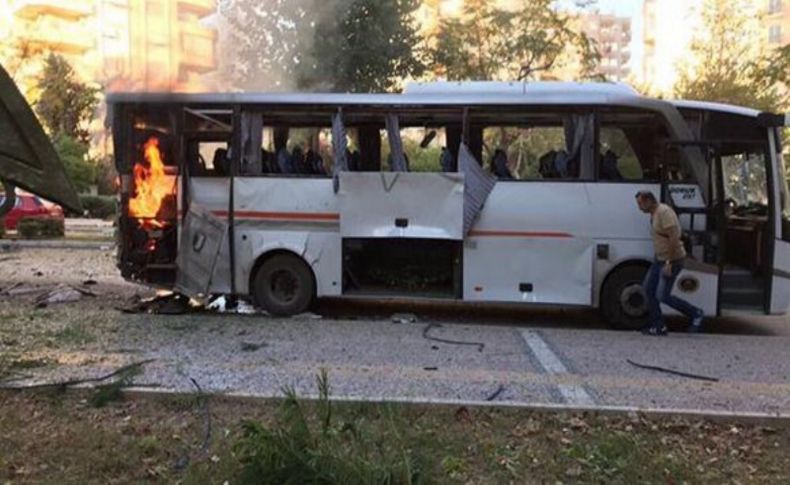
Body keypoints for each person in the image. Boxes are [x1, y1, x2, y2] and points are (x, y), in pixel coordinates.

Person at [635, 190, 704, 335]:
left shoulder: (664, 212)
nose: (639, 207)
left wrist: (669, 262)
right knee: (648, 289)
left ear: (649, 201)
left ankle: (696, 313)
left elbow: (674, 238)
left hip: (672, 260)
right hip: (659, 259)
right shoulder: (654, 214)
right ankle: (658, 325)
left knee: (662, 296)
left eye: (640, 203)